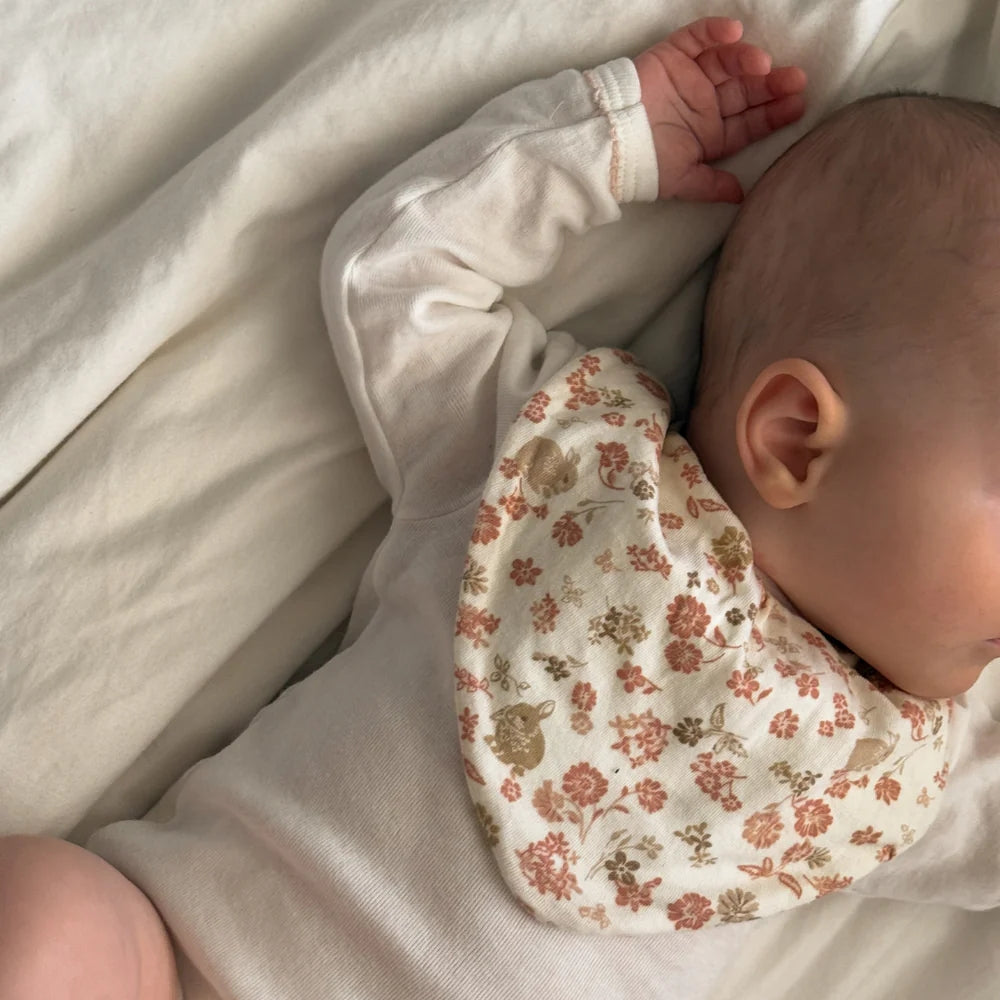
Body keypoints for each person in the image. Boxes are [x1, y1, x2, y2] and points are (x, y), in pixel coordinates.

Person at [1, 15, 998, 1000]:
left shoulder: (919, 776)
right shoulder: (555, 463)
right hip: (179, 959)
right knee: (49, 917)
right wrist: (603, 142)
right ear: (793, 437)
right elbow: (396, 272)